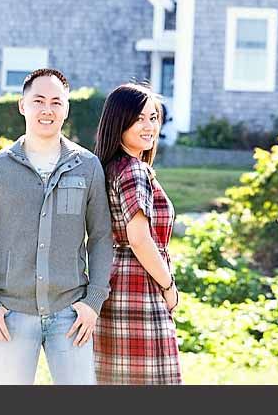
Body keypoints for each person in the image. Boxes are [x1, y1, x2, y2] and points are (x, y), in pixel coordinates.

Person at [0, 67, 113, 385]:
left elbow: (100, 236)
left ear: (67, 107)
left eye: (57, 102)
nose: (48, 110)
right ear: (22, 105)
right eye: (39, 100)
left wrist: (93, 301)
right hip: (10, 315)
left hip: (71, 314)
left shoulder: (86, 166)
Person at [93, 81, 182, 385]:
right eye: (139, 118)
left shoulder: (110, 167)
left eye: (153, 118)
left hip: (112, 283)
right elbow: (140, 238)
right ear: (120, 121)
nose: (148, 126)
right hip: (138, 288)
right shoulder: (133, 170)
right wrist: (168, 286)